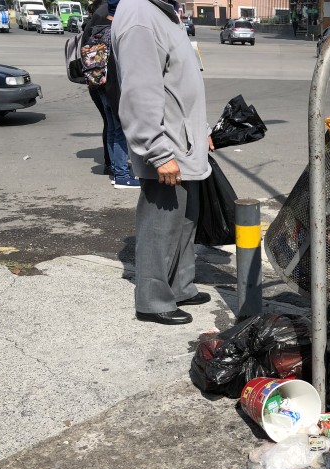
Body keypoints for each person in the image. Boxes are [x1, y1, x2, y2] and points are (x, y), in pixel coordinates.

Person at [111, 0, 215, 325]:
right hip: (167, 148)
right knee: (160, 226)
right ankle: (153, 301)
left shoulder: (162, 12)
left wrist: (203, 131)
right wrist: (157, 151)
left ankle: (180, 286)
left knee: (185, 222)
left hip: (183, 143)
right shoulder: (141, 15)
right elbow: (140, 92)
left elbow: (180, 83)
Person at [83, 0, 140, 189]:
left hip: (98, 84)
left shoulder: (98, 26)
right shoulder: (116, 30)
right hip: (113, 86)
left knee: (112, 129)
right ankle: (122, 175)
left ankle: (116, 170)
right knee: (120, 131)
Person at [83, 0, 111, 176]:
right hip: (107, 79)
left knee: (110, 123)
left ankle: (113, 163)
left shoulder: (98, 15)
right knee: (115, 124)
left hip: (95, 78)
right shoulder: (110, 12)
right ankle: (116, 166)